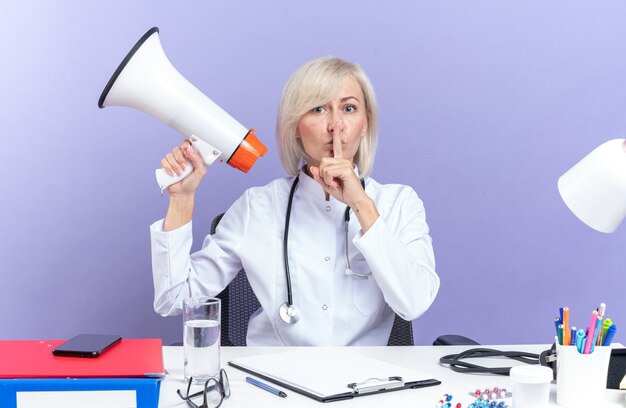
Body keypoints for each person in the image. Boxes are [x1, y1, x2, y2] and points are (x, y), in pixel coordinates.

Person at [150, 56, 440, 346]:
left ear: (365, 124)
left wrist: (362, 206)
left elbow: (414, 303)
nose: (335, 125)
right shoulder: (258, 207)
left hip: (365, 384)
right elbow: (174, 299)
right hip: (272, 382)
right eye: (318, 109)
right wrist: (182, 198)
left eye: (349, 109)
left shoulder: (400, 203)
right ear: (294, 126)